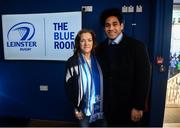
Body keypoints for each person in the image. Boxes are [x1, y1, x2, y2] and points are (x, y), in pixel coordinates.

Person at [95, 8, 151, 126]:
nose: (111, 28)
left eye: (115, 24)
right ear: (104, 28)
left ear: (122, 26)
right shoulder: (100, 49)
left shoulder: (137, 47)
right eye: (107, 25)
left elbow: (143, 78)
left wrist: (138, 106)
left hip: (130, 107)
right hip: (108, 107)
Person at [64, 29, 105, 127]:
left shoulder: (99, 60)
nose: (86, 43)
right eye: (83, 40)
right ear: (78, 43)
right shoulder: (72, 62)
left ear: (93, 42)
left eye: (89, 40)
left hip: (101, 107)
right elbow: (68, 88)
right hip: (83, 109)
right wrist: (75, 108)